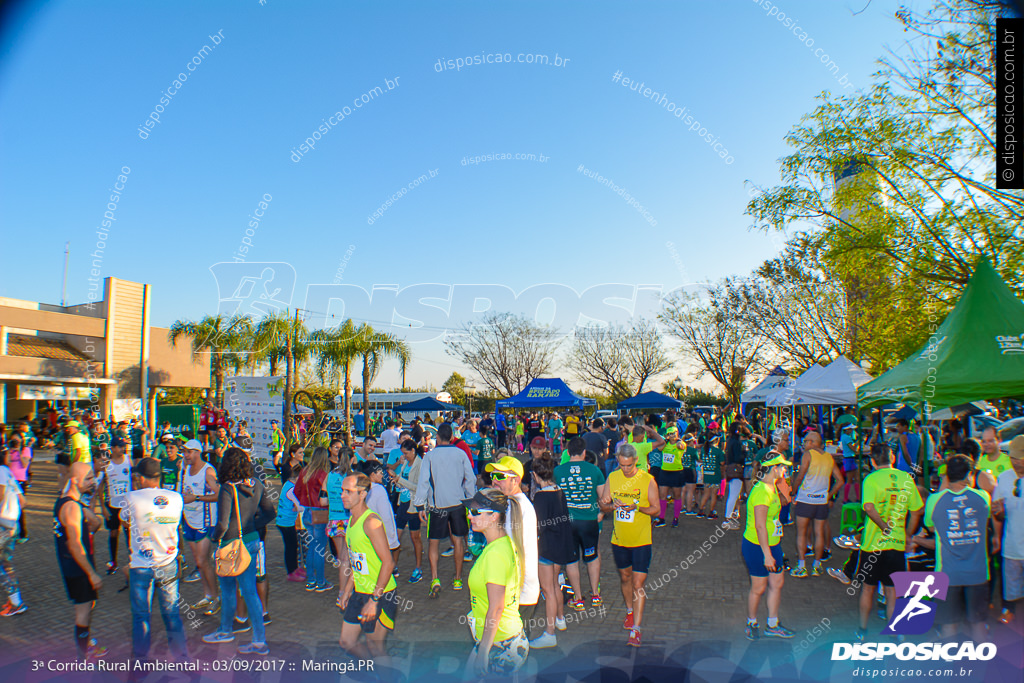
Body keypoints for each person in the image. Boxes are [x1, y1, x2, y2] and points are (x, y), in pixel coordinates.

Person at [202, 447, 276, 655]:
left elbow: (223, 523)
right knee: (250, 590)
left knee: (227, 590)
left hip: (230, 545)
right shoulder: (257, 484)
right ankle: (259, 640)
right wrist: (253, 523)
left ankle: (225, 630)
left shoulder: (227, 488)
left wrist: (214, 539)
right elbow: (270, 512)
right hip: (252, 541)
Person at [850, 443, 924, 641]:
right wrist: (907, 534)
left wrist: (883, 526)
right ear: (892, 458)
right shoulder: (906, 478)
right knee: (893, 592)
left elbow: (868, 507)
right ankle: (896, 632)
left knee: (868, 588)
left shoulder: (871, 479)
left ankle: (862, 630)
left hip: (872, 546)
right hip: (897, 546)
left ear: (872, 461)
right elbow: (917, 510)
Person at [916, 454, 991, 642]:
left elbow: (931, 527)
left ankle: (951, 665)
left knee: (949, 624)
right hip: (978, 573)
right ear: (968, 475)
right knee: (978, 622)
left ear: (948, 475)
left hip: (947, 574)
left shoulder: (934, 500)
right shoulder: (983, 497)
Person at [120, 457, 188, 661]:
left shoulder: (131, 497)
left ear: (140, 477)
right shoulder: (176, 497)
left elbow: (123, 520)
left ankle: (141, 662)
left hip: (141, 565)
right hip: (168, 562)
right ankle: (182, 658)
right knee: (172, 613)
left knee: (141, 616)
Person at [463, 488, 530, 677]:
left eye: (476, 512)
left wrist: (484, 651)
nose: (469, 516)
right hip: (499, 640)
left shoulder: (495, 554)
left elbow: (497, 607)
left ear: (494, 516)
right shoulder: (502, 544)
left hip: (500, 644)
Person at [601, 443, 659, 647]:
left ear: (635, 460)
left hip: (642, 540)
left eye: (628, 465)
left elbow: (656, 510)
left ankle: (636, 629)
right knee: (625, 577)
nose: (625, 469)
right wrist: (609, 505)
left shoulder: (647, 480)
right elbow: (603, 504)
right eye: (621, 465)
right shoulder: (613, 477)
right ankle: (629, 611)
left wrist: (638, 507)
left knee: (638, 584)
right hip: (619, 540)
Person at [338, 473, 399, 662]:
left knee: (375, 647)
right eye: (342, 491)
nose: (343, 495)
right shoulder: (352, 520)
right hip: (359, 592)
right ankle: (375, 671)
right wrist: (347, 591)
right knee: (346, 642)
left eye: (349, 491)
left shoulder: (371, 522)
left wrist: (373, 600)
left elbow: (388, 562)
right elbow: (358, 563)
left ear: (363, 494)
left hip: (380, 594)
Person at [414, 423, 476, 598]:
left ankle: (435, 578)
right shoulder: (461, 453)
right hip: (458, 505)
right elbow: (470, 479)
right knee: (458, 541)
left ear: (439, 437)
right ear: (452, 437)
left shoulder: (430, 457)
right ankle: (457, 578)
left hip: (437, 507)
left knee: (433, 542)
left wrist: (420, 505)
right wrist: (470, 500)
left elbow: (423, 482)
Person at [55, 461, 107, 659]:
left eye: (93, 477)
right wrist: (91, 573)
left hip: (76, 566)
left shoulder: (68, 501)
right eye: (89, 478)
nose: (93, 482)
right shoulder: (71, 508)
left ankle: (86, 644)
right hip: (78, 568)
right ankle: (83, 656)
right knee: (83, 612)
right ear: (75, 481)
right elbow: (74, 545)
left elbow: (93, 523)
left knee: (87, 606)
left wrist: (92, 521)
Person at [742, 452, 795, 640]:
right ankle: (752, 623)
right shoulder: (762, 491)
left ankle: (773, 624)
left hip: (773, 545)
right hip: (757, 547)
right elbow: (759, 525)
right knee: (759, 587)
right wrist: (767, 554)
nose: (785, 470)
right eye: (783, 467)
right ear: (774, 468)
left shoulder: (772, 487)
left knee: (777, 583)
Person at [485, 456, 540, 636]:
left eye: (500, 477)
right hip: (515, 591)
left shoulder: (519, 508)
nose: (494, 480)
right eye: (493, 476)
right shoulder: (509, 504)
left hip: (519, 593)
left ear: (515, 480)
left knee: (512, 650)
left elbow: (512, 552)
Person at [528, 458, 577, 648]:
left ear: (535, 475)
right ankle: (560, 618)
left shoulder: (540, 496)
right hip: (560, 544)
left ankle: (549, 633)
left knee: (547, 589)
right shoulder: (559, 491)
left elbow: (538, 525)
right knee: (555, 584)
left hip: (547, 546)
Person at [555, 443, 607, 610]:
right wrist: (601, 513)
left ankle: (578, 599)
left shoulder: (558, 471)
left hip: (567, 523)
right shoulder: (594, 470)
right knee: (592, 558)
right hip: (589, 522)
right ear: (584, 452)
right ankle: (595, 595)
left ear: (568, 452)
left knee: (572, 561)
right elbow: (604, 499)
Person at [790, 431, 844, 577]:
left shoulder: (808, 455)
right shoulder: (829, 457)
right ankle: (816, 565)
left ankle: (802, 566)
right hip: (821, 501)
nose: (804, 444)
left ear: (813, 442)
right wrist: (829, 495)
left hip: (806, 499)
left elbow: (800, 475)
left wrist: (793, 492)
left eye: (806, 441)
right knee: (819, 533)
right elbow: (840, 480)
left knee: (801, 532)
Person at [179, 439, 221, 615]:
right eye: (185, 452)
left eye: (189, 452)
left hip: (205, 521)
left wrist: (196, 498)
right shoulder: (185, 468)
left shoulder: (208, 471)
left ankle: (216, 598)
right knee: (199, 562)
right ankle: (208, 595)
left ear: (198, 452)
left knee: (204, 561)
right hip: (189, 520)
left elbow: (219, 494)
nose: (186, 455)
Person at [993, 435, 1024, 625]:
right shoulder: (1004, 478)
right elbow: (998, 513)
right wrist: (998, 513)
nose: (1015, 462)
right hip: (1011, 544)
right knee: (1011, 586)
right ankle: (1009, 611)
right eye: (1012, 457)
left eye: (1019, 458)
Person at [295, 446, 332, 593]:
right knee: (320, 549)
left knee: (312, 546)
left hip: (308, 512)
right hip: (320, 512)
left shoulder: (305, 471)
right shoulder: (324, 474)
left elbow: (297, 490)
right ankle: (320, 581)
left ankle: (311, 580)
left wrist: (305, 502)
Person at [99, 437, 132, 575]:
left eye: (123, 446)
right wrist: (103, 508)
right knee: (113, 533)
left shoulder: (128, 460)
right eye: (119, 446)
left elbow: (134, 480)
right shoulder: (106, 464)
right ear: (112, 448)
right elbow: (100, 487)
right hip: (112, 505)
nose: (122, 448)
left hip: (127, 505)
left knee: (130, 533)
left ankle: (134, 561)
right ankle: (113, 562)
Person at [392, 439, 424, 583]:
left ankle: (418, 568)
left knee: (415, 537)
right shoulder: (406, 462)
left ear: (413, 451)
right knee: (396, 537)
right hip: (403, 502)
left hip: (413, 505)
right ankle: (393, 566)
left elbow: (419, 487)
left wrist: (400, 480)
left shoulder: (420, 464)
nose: (404, 456)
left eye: (406, 453)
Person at [0, 446, 27, 615]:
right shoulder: (8, 472)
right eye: (8, 454)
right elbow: (23, 501)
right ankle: (15, 601)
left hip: (2, 525)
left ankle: (16, 602)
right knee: (6, 564)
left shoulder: (2, 471)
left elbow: (0, 495)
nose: (11, 457)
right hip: (12, 525)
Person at [276, 460, 305, 582]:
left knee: (293, 546)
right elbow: (300, 506)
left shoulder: (288, 485)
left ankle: (294, 568)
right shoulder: (292, 489)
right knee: (291, 547)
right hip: (285, 523)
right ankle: (291, 571)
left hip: (287, 521)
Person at [657, 426, 688, 527]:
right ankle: (662, 518)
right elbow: (660, 448)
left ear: (677, 433)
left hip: (676, 472)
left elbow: (681, 446)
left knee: (677, 496)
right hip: (665, 471)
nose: (672, 435)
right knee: (662, 495)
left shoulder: (681, 442)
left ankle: (676, 518)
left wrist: (678, 440)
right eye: (670, 434)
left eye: (674, 433)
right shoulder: (665, 444)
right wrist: (665, 441)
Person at [698, 435, 724, 520]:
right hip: (715, 475)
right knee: (713, 495)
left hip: (706, 475)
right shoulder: (718, 451)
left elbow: (701, 460)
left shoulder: (703, 450)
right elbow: (722, 463)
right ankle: (711, 512)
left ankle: (701, 510)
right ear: (716, 440)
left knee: (706, 494)